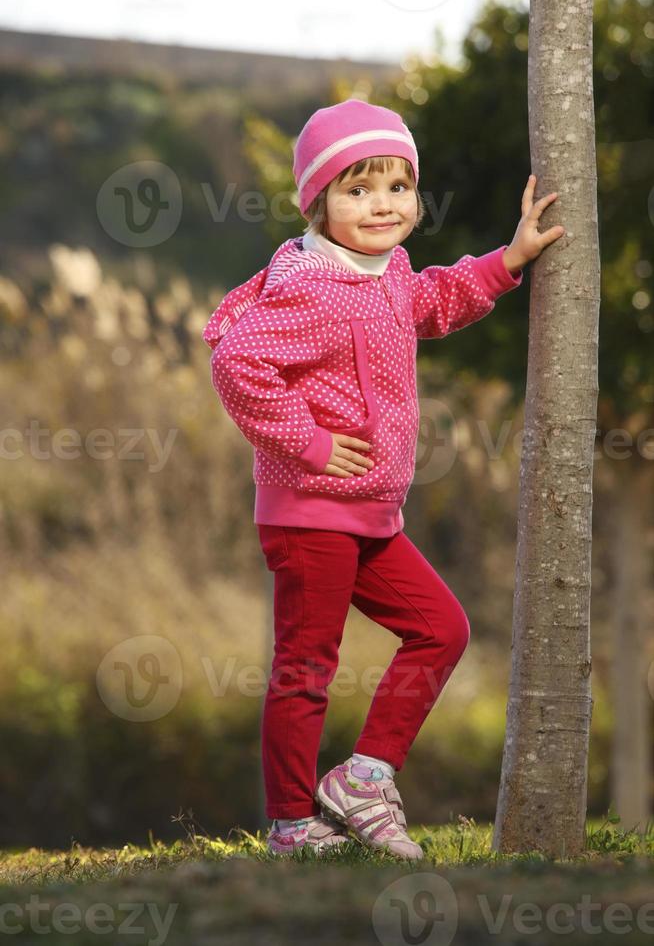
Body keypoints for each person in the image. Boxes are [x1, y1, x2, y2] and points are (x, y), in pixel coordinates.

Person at [202, 98, 565, 859]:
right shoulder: (309, 286)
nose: (381, 205)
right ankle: (292, 828)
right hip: (309, 515)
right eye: (357, 189)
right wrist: (304, 441)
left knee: (441, 629)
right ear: (319, 201)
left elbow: (433, 300)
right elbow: (238, 363)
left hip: (369, 513)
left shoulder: (388, 270)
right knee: (307, 666)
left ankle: (364, 776)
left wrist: (509, 261)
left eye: (398, 187)